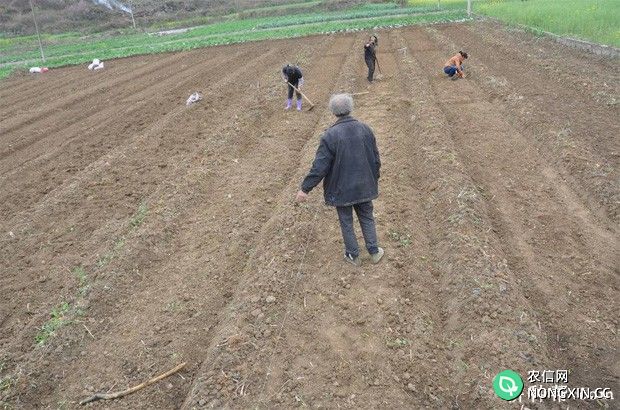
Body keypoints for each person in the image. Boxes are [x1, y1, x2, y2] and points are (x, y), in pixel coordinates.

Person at [296, 94, 384, 266]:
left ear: (333, 112)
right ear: (350, 108)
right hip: (365, 185)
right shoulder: (365, 129)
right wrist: (373, 179)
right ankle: (374, 252)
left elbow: (319, 167)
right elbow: (376, 159)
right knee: (367, 217)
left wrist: (305, 189)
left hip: (341, 189)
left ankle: (353, 255)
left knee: (346, 221)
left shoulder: (329, 136)